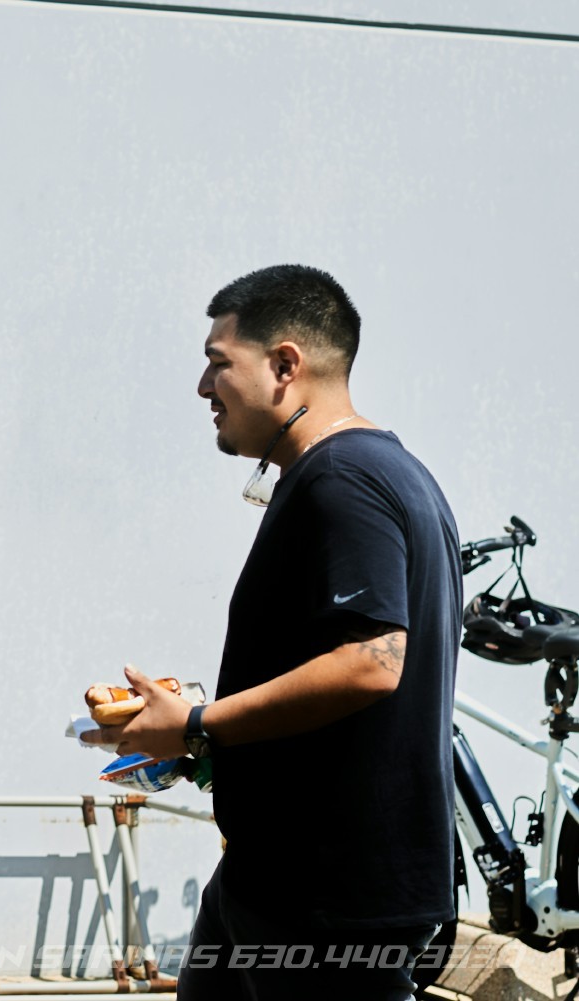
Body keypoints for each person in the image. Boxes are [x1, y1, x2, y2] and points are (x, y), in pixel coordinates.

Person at [93, 265, 459, 999]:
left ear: (286, 365)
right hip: (277, 878)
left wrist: (198, 723)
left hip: (329, 899)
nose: (203, 387)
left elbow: (373, 662)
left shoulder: (343, 477)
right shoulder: (385, 470)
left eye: (219, 363)